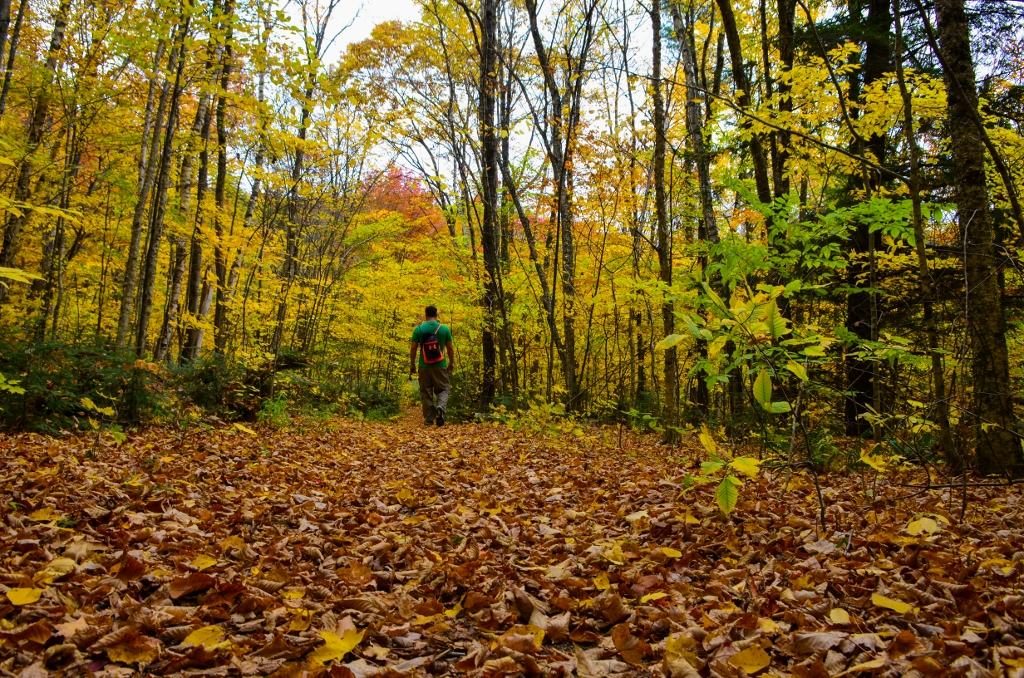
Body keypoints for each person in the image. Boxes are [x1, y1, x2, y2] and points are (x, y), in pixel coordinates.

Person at [410, 305, 455, 426]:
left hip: (424, 366)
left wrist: (412, 364)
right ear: (436, 314)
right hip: (440, 365)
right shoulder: (444, 329)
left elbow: (413, 348)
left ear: (426, 314)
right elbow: (450, 348)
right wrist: (451, 363)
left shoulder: (418, 329)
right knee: (444, 388)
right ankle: (440, 407)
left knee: (426, 391)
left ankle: (429, 419)